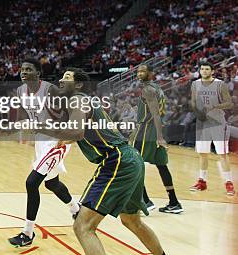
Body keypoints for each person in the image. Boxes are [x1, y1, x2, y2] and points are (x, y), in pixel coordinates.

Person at [52, 68, 167, 255]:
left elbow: (75, 132)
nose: (61, 80)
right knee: (132, 221)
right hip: (131, 158)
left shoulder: (78, 99)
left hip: (116, 161)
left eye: (67, 77)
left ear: (79, 84)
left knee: (83, 226)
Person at [8, 57, 79, 248]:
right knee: (51, 183)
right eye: (22, 69)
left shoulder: (50, 90)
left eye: (29, 69)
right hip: (42, 140)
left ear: (38, 73)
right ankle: (76, 209)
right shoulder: (21, 91)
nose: (23, 72)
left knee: (32, 183)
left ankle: (27, 233)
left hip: (57, 141)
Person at [130, 64, 183, 213]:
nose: (140, 73)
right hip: (156, 130)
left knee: (134, 165)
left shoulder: (148, 89)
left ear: (151, 73)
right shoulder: (157, 88)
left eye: (143, 71)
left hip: (147, 131)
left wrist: (159, 137)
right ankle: (174, 203)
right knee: (162, 166)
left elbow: (155, 114)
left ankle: (145, 201)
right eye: (138, 71)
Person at [189, 61, 235, 196]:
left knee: (222, 155)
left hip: (218, 124)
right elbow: (193, 101)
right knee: (202, 154)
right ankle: (202, 181)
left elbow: (229, 103)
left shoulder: (220, 84)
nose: (204, 71)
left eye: (207, 69)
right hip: (203, 124)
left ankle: (229, 183)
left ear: (212, 71)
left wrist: (215, 107)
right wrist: (197, 111)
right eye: (202, 69)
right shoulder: (195, 84)